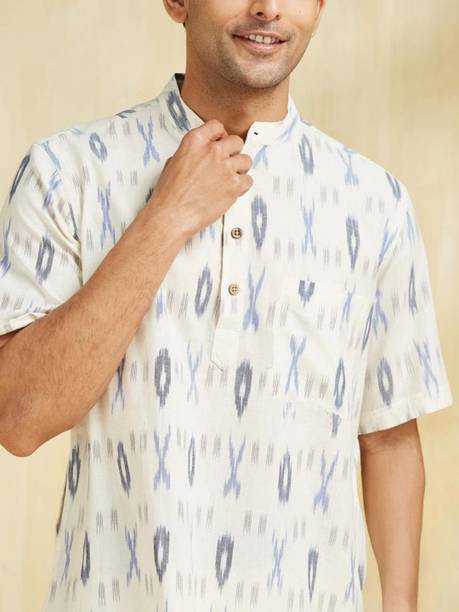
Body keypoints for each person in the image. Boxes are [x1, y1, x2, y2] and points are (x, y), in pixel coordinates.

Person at [0, 1, 454, 610]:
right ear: (177, 2)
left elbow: (388, 438)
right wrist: (166, 218)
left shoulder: (375, 204)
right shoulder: (68, 173)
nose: (268, 7)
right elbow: (18, 419)